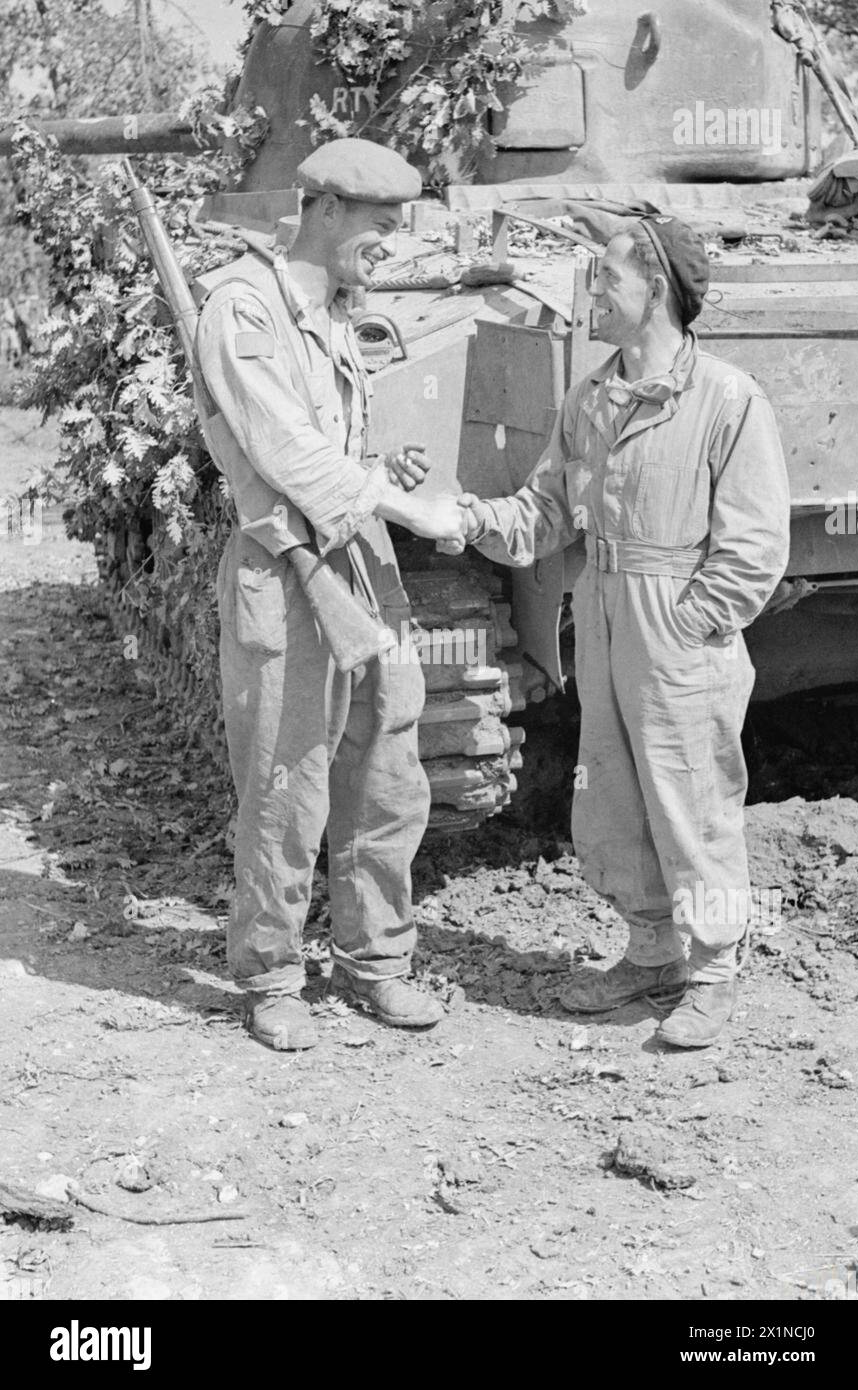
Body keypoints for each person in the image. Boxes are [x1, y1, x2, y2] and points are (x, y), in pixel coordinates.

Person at [455, 214, 790, 1048]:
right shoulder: (588, 399)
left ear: (656, 292)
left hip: (672, 614)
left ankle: (711, 970)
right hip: (601, 606)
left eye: (606, 278)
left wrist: (692, 621)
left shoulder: (725, 399)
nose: (592, 292)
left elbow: (754, 544)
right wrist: (463, 519)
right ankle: (649, 953)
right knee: (611, 791)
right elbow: (539, 515)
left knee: (691, 798)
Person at [194, 138, 465, 1051]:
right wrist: (407, 504)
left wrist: (381, 468)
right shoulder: (243, 307)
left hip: (357, 559)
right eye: (380, 225)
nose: (391, 243)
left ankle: (375, 961)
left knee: (387, 768)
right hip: (284, 568)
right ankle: (272, 975)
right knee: (284, 781)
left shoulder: (335, 309)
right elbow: (282, 454)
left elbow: (330, 451)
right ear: (324, 211)